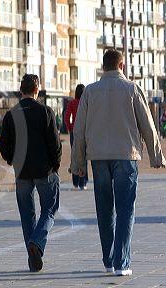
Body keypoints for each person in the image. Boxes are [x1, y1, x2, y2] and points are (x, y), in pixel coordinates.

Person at [71, 49, 166, 277]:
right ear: (121, 65)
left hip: (99, 157)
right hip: (126, 155)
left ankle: (108, 260)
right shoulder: (132, 89)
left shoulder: (90, 92)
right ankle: (121, 263)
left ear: (104, 67)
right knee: (125, 209)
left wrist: (78, 163)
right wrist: (156, 156)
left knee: (104, 209)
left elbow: (79, 130)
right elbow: (148, 125)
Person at [0, 74, 62, 273]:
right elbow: (55, 143)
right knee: (49, 209)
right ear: (37, 90)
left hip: (22, 171)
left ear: (21, 90)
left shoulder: (11, 115)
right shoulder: (45, 112)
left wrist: (12, 160)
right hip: (44, 169)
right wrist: (55, 164)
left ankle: (32, 255)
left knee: (27, 214)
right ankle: (36, 242)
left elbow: (4, 145)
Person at [64, 84, 89, 190]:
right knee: (84, 156)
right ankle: (83, 182)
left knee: (75, 155)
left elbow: (66, 117)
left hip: (74, 131)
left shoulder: (72, 103)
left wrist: (70, 128)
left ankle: (75, 182)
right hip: (85, 131)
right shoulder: (86, 102)